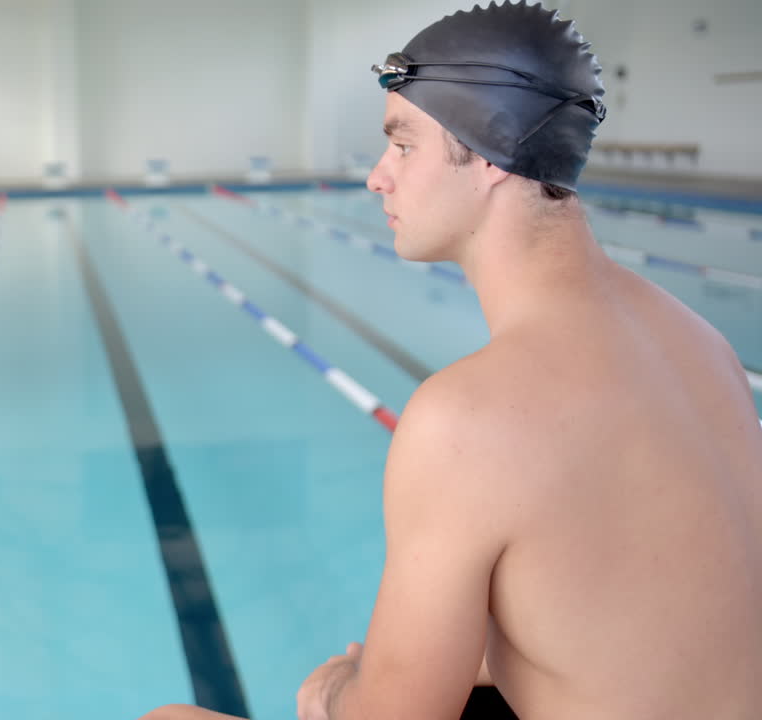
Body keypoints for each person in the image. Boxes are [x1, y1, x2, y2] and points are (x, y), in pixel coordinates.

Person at [139, 2, 762, 719]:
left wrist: (335, 693)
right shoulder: (703, 345)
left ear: (491, 156)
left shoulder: (469, 418)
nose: (379, 177)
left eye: (402, 145)